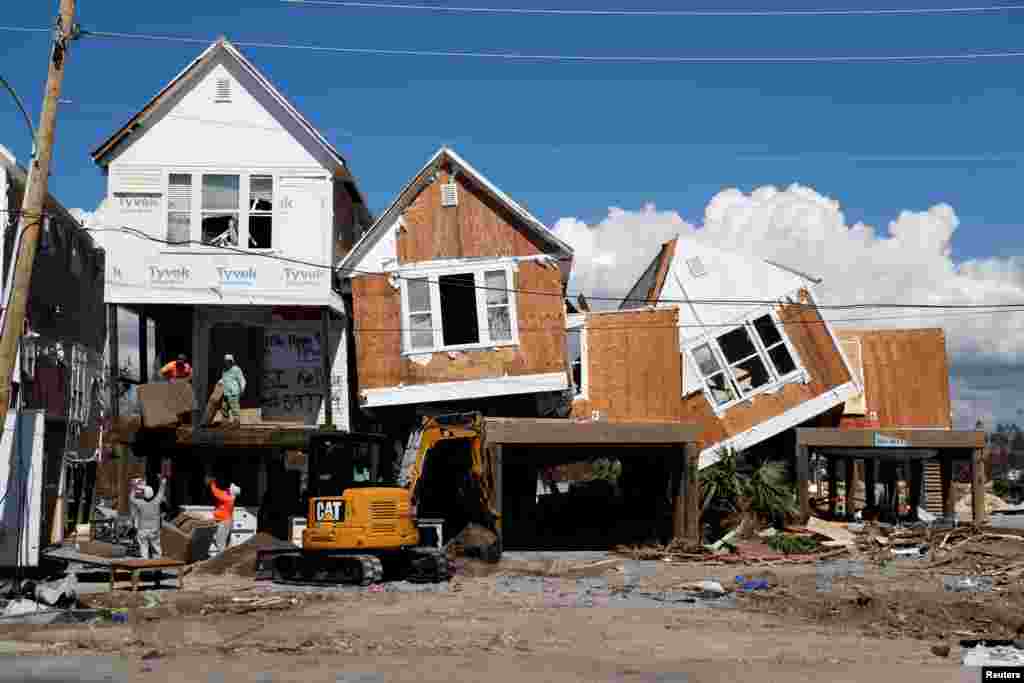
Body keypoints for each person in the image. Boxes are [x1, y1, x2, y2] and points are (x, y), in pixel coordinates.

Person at [130, 476, 168, 559]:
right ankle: (158, 567)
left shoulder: (140, 503)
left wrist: (134, 486)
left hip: (142, 530)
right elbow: (161, 492)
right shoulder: (156, 502)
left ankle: (145, 566)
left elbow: (132, 498)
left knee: (144, 549)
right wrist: (162, 482)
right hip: (154, 530)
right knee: (157, 549)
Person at [207, 476, 240, 556]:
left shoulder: (228, 498)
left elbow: (216, 493)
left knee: (220, 542)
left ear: (231, 491)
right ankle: (231, 558)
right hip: (226, 521)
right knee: (227, 542)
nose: (228, 488)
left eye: (230, 488)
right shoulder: (228, 496)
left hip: (224, 522)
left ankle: (222, 559)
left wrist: (212, 483)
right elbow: (220, 492)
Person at [218, 354, 246, 425]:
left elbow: (242, 379)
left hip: (233, 392)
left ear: (231, 361)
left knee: (234, 408)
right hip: (226, 392)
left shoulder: (236, 369)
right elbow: (224, 378)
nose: (226, 362)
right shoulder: (224, 370)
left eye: (228, 361)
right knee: (224, 408)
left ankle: (236, 421)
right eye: (225, 361)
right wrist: (220, 382)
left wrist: (242, 389)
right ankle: (225, 421)